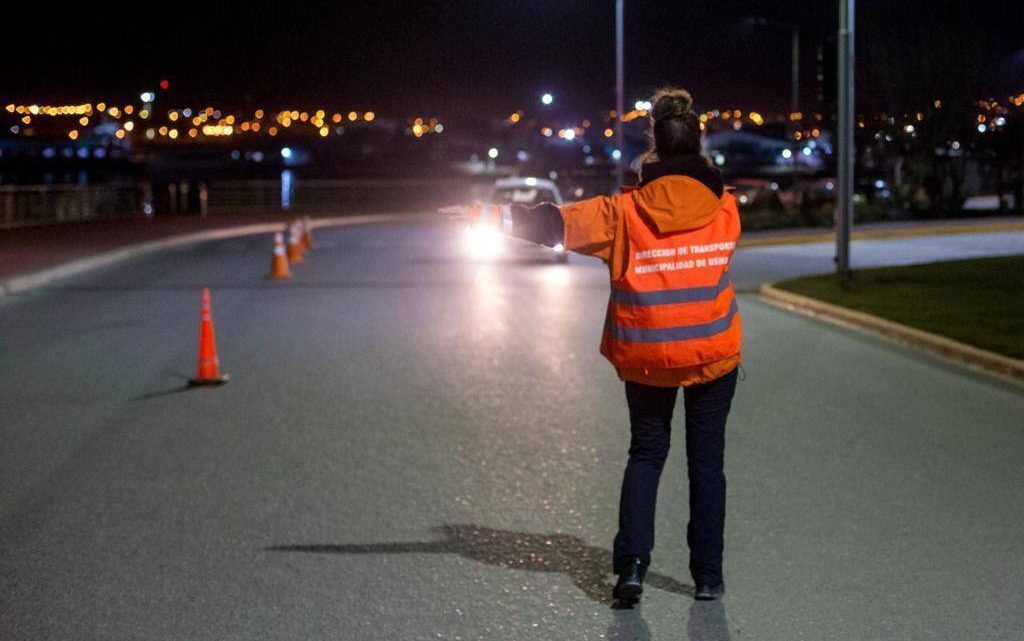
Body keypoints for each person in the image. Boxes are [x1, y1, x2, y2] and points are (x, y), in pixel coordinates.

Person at [459, 87, 741, 603]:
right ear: (699, 144)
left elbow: (555, 224)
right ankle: (708, 577)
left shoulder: (622, 214)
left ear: (653, 143)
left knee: (647, 453)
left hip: (649, 357)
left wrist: (484, 215)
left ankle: (632, 568)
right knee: (707, 465)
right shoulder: (726, 210)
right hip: (713, 354)